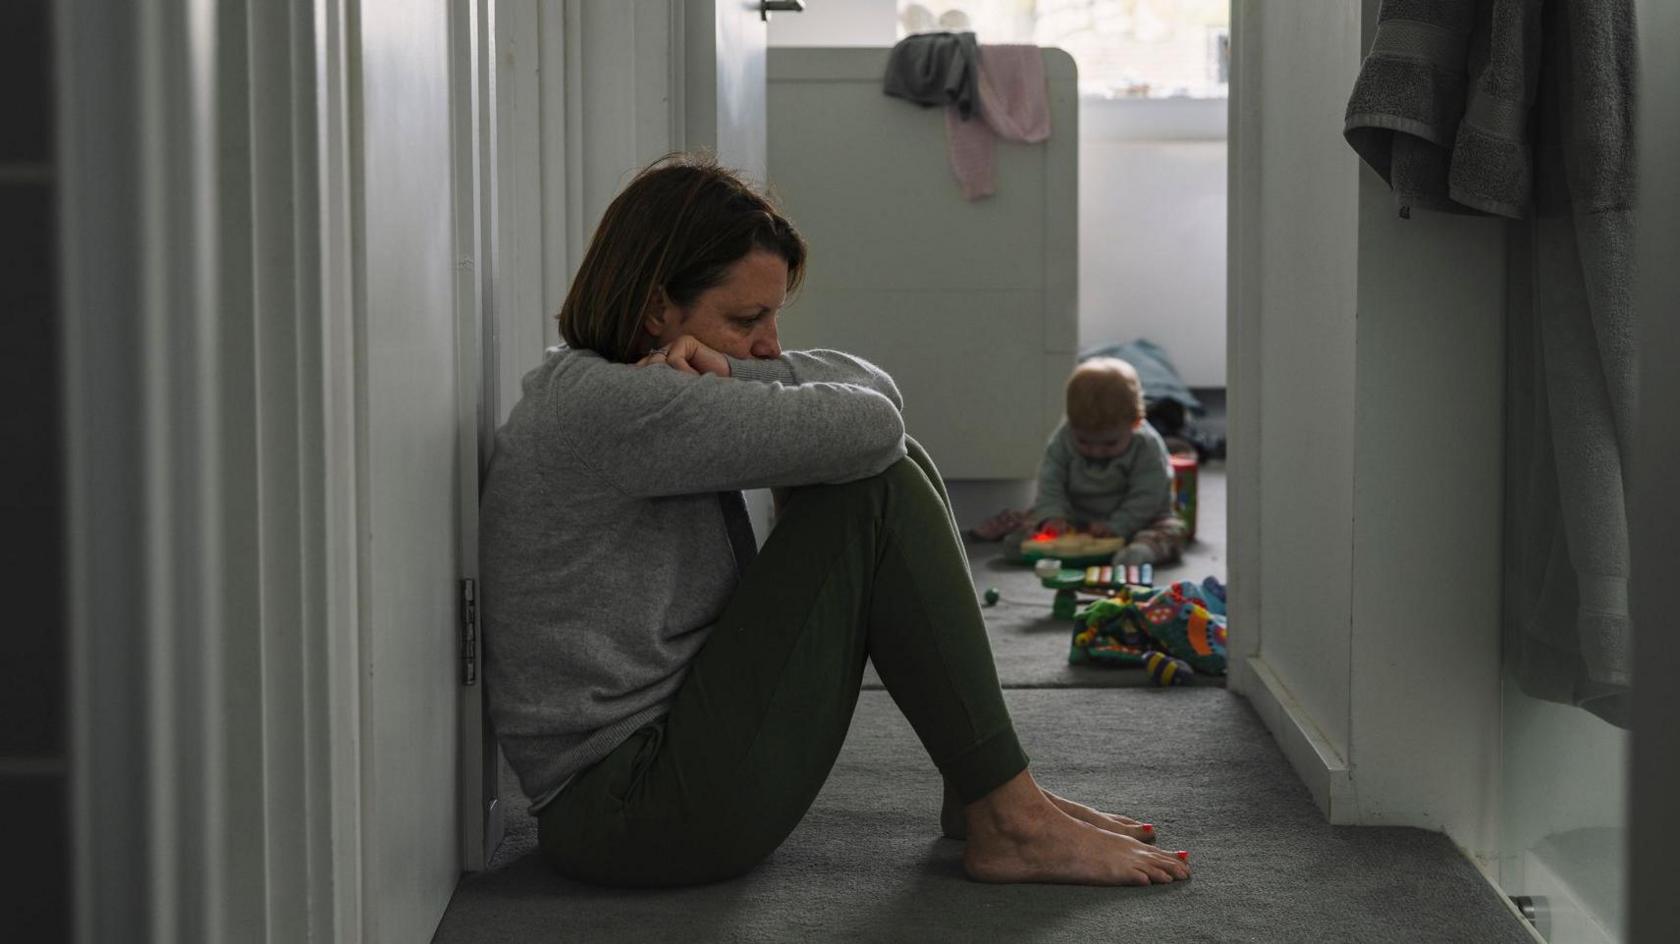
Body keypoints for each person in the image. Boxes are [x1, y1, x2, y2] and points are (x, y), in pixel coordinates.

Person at [478, 154, 1192, 888]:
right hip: (632, 808)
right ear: (659, 310)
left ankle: (991, 793)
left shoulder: (615, 387)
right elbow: (871, 424)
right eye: (746, 319)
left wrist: (735, 368)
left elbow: (878, 403)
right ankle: (1006, 814)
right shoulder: (620, 405)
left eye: (775, 318)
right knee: (872, 488)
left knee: (885, 464)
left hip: (650, 780)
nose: (770, 346)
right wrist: (749, 382)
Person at [1027, 358, 1189, 567]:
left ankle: (1140, 553)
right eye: (1083, 441)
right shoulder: (1063, 439)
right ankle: (1035, 545)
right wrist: (1053, 516)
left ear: (1135, 423)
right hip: (1076, 521)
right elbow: (1051, 480)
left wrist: (1118, 526)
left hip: (1136, 522)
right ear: (1070, 422)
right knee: (1033, 520)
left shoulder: (1146, 446)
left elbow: (1148, 495)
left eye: (1110, 443)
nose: (1096, 451)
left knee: (1171, 531)